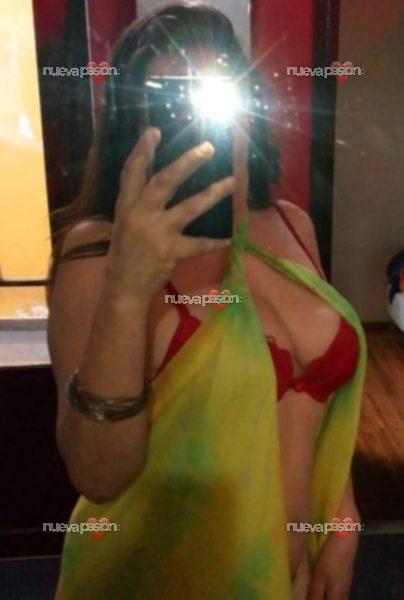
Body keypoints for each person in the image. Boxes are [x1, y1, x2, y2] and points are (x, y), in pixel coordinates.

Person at [47, 3, 367, 599]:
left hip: (289, 576)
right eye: (172, 97)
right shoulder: (99, 252)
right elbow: (96, 473)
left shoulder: (292, 224)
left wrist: (341, 522)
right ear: (134, 119)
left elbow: (325, 410)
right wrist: (128, 288)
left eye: (219, 89)